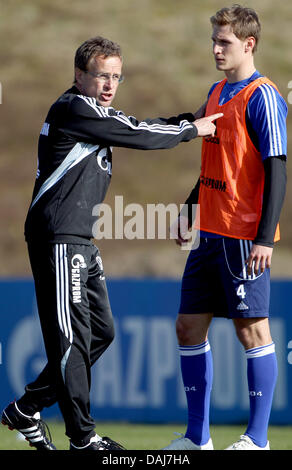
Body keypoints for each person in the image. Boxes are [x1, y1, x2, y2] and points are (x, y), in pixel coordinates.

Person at [1, 36, 221, 451]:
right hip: (59, 238)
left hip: (81, 241)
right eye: (102, 75)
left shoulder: (93, 112)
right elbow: (133, 132)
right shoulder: (73, 108)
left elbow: (131, 124)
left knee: (101, 333)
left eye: (116, 77)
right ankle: (83, 439)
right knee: (71, 342)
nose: (109, 84)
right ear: (80, 75)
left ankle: (26, 409)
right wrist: (191, 129)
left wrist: (184, 119)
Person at [164, 5, 287, 451]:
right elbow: (215, 164)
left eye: (225, 42)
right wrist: (189, 208)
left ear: (248, 44)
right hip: (209, 233)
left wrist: (263, 237)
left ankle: (257, 439)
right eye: (214, 40)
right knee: (187, 327)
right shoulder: (216, 93)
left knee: (251, 330)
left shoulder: (264, 97)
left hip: (243, 236)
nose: (216, 49)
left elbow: (277, 168)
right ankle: (198, 438)